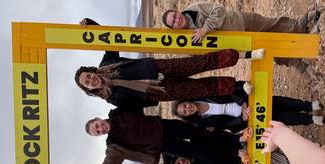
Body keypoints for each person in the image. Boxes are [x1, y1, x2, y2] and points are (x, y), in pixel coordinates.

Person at [76, 19, 262, 108]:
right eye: (87, 83)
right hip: (159, 92)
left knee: (200, 62)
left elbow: (108, 40)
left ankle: (245, 55)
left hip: (158, 68)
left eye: (89, 76)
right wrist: (153, 99)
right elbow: (134, 107)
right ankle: (238, 86)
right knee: (199, 89)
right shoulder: (110, 98)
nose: (91, 80)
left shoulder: (107, 63)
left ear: (92, 71)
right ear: (89, 90)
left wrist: (90, 25)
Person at [76, 108, 246, 164]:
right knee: (199, 152)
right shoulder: (114, 145)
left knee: (202, 133)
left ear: (98, 119)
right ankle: (235, 152)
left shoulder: (118, 112)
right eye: (97, 132)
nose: (100, 129)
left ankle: (237, 138)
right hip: (163, 145)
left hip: (164, 126)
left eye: (97, 126)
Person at [161, 3, 321, 71]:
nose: (177, 19)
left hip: (239, 21)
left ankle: (301, 25)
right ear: (174, 28)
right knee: (267, 50)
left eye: (174, 15)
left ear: (177, 12)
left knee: (271, 25)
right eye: (173, 22)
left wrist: (205, 29)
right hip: (239, 44)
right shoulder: (186, 41)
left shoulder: (193, 9)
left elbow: (219, 9)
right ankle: (294, 61)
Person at [173, 84, 325, 130]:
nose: (188, 108)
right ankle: (310, 118)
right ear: (187, 116)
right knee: (280, 118)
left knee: (279, 102)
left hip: (245, 100)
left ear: (186, 101)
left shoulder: (204, 93)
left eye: (185, 105)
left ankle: (309, 105)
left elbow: (228, 90)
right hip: (246, 118)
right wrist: (242, 118)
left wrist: (242, 103)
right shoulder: (202, 121)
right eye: (185, 112)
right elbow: (225, 125)